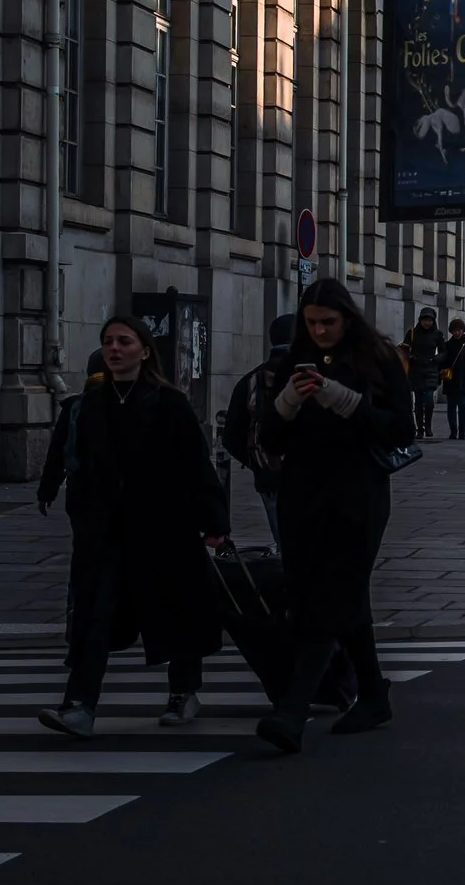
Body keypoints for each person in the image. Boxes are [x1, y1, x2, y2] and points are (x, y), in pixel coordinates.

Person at [36, 313, 228, 736]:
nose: (114, 349)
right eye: (108, 341)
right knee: (94, 615)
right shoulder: (89, 404)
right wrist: (73, 505)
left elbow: (197, 467)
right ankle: (80, 705)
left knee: (174, 609)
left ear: (144, 350)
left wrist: (214, 521)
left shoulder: (169, 402)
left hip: (164, 529)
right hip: (106, 531)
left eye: (124, 341)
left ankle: (183, 692)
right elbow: (74, 460)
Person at [253, 277, 413, 751]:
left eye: (328, 322)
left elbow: (399, 429)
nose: (320, 331)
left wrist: (343, 401)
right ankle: (373, 695)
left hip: (357, 494)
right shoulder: (291, 366)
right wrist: (289, 402)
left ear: (347, 319)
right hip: (304, 494)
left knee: (330, 595)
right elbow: (269, 438)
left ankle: (293, 711)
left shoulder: (378, 360)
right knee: (328, 594)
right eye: (311, 323)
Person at [221, 311, 298, 545]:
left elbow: (231, 435)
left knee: (287, 545)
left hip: (270, 477)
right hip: (314, 477)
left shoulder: (250, 381)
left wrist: (257, 460)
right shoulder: (312, 376)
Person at [439, 315, 465, 441]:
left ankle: (462, 432)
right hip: (451, 380)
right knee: (451, 406)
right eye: (454, 330)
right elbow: (443, 362)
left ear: (463, 330)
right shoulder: (447, 345)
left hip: (464, 380)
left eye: (459, 330)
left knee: (463, 406)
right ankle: (453, 431)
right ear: (451, 331)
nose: (457, 332)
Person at [406, 308, 444, 440]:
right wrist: (411, 356)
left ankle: (428, 425)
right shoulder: (412, 333)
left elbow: (443, 351)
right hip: (416, 369)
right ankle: (419, 429)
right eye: (424, 320)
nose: (427, 323)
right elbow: (404, 349)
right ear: (420, 320)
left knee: (429, 400)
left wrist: (435, 359)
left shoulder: (437, 334)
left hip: (431, 369)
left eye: (429, 320)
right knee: (418, 401)